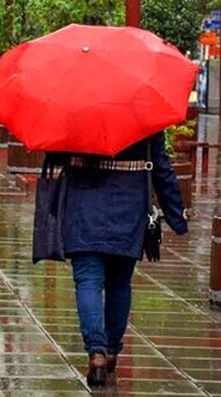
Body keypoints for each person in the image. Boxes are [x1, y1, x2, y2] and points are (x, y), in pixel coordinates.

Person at [61, 133, 187, 386]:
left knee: (88, 279)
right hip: (128, 203)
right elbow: (160, 163)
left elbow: (55, 153)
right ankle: (111, 350)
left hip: (84, 203)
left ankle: (96, 354)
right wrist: (176, 215)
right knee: (119, 282)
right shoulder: (143, 108)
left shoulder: (75, 106)